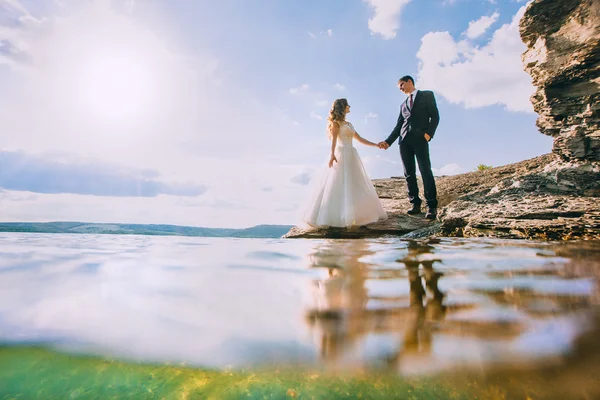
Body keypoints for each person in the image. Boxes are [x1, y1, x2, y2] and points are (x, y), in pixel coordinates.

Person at [302, 98, 387, 228]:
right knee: (339, 183)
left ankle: (355, 215)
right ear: (343, 107)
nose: (349, 106)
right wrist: (332, 155)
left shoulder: (349, 124)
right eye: (347, 105)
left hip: (351, 154)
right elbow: (334, 141)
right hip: (341, 154)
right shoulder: (335, 123)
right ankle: (335, 217)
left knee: (354, 183)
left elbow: (360, 139)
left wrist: (376, 145)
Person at [378, 76, 440, 220]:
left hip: (420, 139)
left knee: (425, 170)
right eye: (399, 87)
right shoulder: (403, 105)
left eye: (401, 85)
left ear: (409, 82)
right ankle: (415, 204)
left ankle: (431, 205)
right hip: (404, 141)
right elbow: (399, 125)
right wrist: (388, 142)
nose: (400, 88)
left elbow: (435, 116)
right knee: (408, 173)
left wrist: (428, 134)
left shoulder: (427, 95)